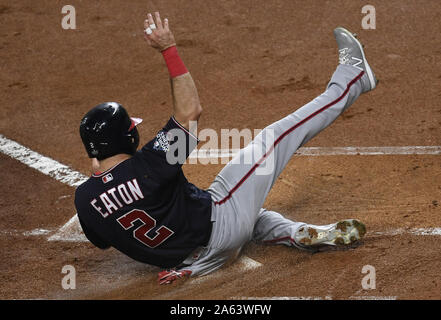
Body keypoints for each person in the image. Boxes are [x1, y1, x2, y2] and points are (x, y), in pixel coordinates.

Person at [75, 12, 377, 285]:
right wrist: (168, 50)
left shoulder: (85, 199)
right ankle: (353, 78)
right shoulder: (152, 164)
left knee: (253, 217)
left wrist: (104, 179)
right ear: (127, 138)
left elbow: (103, 238)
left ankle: (292, 233)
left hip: (195, 262)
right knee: (274, 138)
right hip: (222, 223)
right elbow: (190, 111)